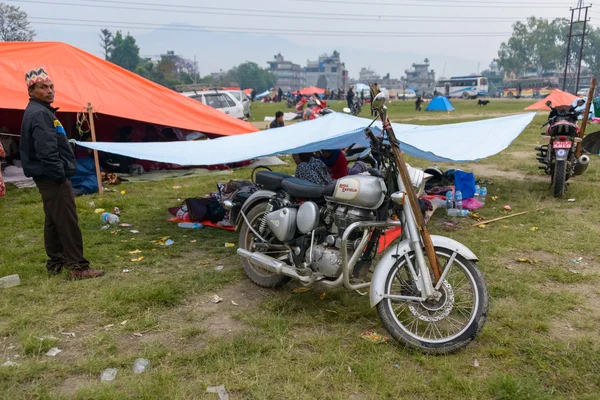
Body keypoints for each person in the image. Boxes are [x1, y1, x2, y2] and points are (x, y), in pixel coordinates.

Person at [19, 67, 104, 279]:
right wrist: (59, 175)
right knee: (66, 220)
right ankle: (78, 267)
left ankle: (56, 263)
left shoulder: (41, 111)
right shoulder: (39, 113)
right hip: (52, 177)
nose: (49, 91)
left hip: (48, 175)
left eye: (51, 86)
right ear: (31, 91)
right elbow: (47, 150)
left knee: (54, 219)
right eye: (43, 87)